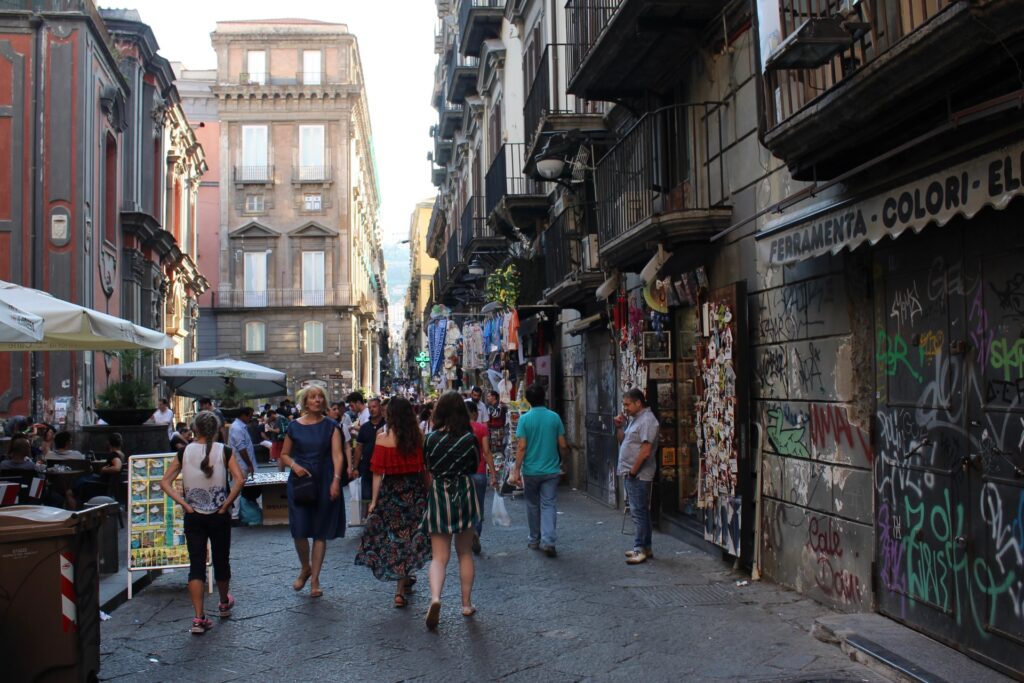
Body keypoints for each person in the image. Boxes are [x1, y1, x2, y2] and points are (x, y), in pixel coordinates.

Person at [160, 411, 245, 635]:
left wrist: (185, 504)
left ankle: (198, 618)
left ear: (194, 429)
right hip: (219, 513)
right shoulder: (225, 451)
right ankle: (224, 602)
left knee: (196, 564)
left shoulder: (183, 452)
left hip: (193, 514)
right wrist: (227, 503)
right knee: (221, 559)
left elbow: (165, 482)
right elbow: (240, 479)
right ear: (217, 430)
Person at [354, 396, 431, 608]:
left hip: (392, 494)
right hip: (414, 493)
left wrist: (374, 501)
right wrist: (429, 492)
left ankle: (400, 589)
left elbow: (378, 473)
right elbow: (425, 470)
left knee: (395, 540)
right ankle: (404, 579)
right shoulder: (419, 437)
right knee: (410, 538)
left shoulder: (383, 438)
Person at [421, 391, 482, 629]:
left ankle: (436, 598)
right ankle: (466, 604)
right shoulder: (469, 439)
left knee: (439, 556)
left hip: (439, 493)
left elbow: (428, 466)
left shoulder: (430, 438)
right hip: (463, 491)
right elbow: (473, 464)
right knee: (464, 552)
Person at [279, 386, 345, 598]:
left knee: (320, 531)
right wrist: (294, 466)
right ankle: (304, 567)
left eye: (320, 397)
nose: (317, 400)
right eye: (313, 397)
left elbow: (338, 456)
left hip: (324, 478)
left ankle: (315, 579)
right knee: (299, 530)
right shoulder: (293, 426)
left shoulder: (331, 426)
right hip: (301, 480)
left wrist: (336, 480)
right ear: (305, 402)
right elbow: (284, 454)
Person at [509, 383, 568, 558]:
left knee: (532, 505)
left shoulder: (525, 419)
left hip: (531, 471)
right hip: (551, 469)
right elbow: (563, 445)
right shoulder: (554, 417)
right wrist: (563, 462)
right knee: (549, 504)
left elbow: (521, 447)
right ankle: (549, 541)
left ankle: (534, 539)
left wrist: (516, 470)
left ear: (528, 400)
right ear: (544, 397)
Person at [615, 388, 659, 564]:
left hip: (639, 475)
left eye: (627, 404)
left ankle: (639, 548)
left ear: (638, 403)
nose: (625, 408)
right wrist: (619, 426)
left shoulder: (648, 421)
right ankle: (645, 547)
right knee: (641, 511)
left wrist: (633, 471)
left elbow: (646, 451)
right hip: (633, 473)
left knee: (638, 512)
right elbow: (623, 440)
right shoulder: (635, 420)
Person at [464, 400, 497, 555]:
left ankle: (468, 534)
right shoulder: (482, 428)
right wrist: (494, 474)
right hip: (479, 472)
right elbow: (486, 452)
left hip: (462, 474)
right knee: (479, 506)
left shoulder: (457, 430)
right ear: (475, 413)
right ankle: (476, 532)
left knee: (465, 506)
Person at [352, 397, 385, 523]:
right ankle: (368, 518)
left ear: (380, 408)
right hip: (367, 466)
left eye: (374, 407)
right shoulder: (365, 427)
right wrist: (355, 467)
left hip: (382, 467)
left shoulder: (386, 426)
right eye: (370, 407)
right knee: (366, 494)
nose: (372, 410)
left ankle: (379, 517)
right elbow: (359, 448)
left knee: (381, 493)